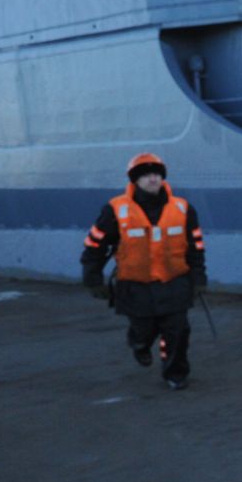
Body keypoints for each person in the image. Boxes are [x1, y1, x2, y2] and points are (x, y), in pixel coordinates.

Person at [80, 152, 206, 390]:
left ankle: (175, 374)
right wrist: (92, 277)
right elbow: (95, 244)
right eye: (146, 175)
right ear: (134, 180)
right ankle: (139, 343)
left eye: (156, 174)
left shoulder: (183, 209)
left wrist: (199, 277)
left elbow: (196, 245)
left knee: (177, 331)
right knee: (145, 329)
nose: (152, 179)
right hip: (135, 285)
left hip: (174, 282)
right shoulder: (115, 210)